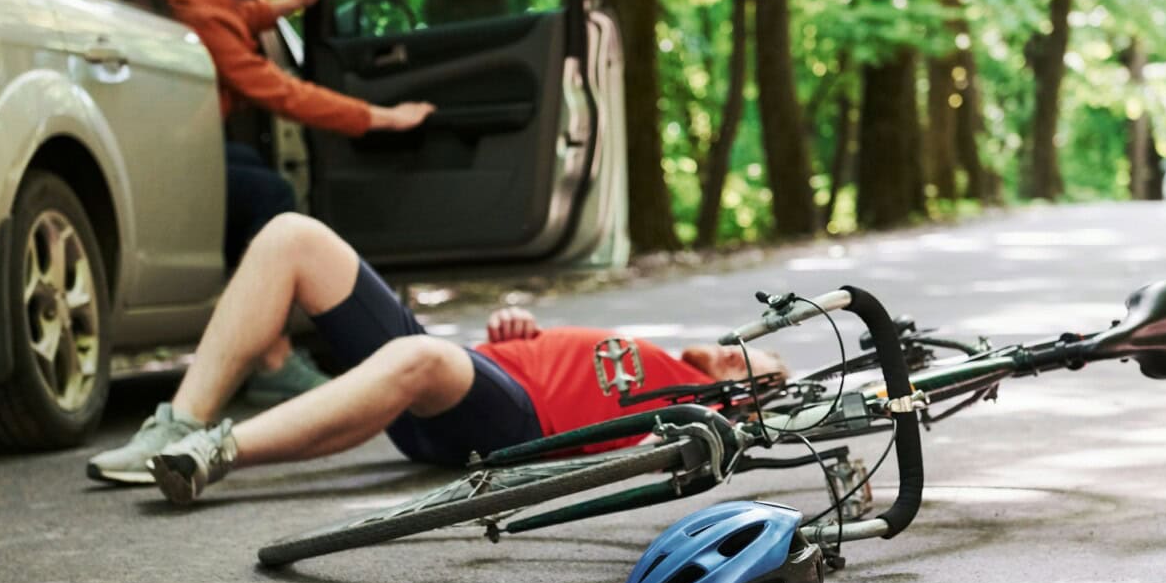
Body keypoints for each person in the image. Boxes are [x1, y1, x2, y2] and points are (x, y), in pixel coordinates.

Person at [85, 214, 786, 504]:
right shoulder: (669, 360)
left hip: (515, 424)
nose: (750, 360)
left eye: (764, 373)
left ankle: (215, 453)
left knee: (420, 356)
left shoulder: (699, 416)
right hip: (474, 372)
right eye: (753, 356)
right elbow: (562, 362)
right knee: (292, 236)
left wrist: (756, 405)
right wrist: (518, 329)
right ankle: (179, 420)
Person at [155, 0, 436, 407]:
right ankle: (273, 360)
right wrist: (381, 118)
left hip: (182, 142)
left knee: (246, 168)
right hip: (162, 154)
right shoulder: (199, 5)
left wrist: (292, 2)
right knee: (270, 193)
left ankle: (263, 342)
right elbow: (278, 90)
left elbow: (238, 11)